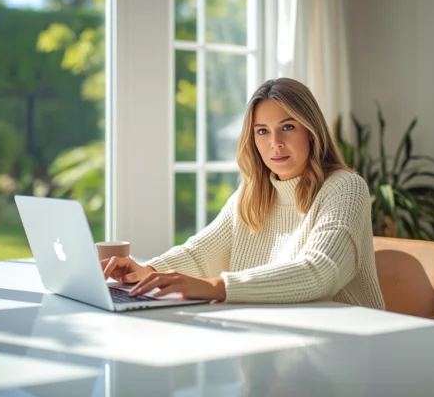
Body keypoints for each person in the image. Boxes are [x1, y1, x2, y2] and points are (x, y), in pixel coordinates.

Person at [101, 78, 385, 309]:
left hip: (347, 345)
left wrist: (217, 287)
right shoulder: (251, 194)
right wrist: (148, 271)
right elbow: (201, 253)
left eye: (287, 127)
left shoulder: (345, 187)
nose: (275, 143)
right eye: (262, 131)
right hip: (280, 338)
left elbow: (319, 272)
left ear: (311, 131)